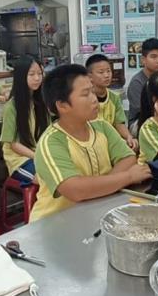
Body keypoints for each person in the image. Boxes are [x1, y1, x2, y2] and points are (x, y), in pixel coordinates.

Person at [31, 64, 150, 221]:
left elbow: (128, 158)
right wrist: (127, 177)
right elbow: (75, 189)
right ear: (62, 105)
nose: (94, 99)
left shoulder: (101, 126)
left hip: (96, 212)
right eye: (86, 94)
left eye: (92, 91)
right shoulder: (51, 142)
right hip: (56, 221)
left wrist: (99, 188)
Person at [0, 56, 49, 188]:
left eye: (40, 73)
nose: (37, 78)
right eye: (31, 74)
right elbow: (14, 145)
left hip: (38, 154)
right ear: (21, 77)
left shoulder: (41, 102)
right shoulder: (11, 107)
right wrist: (38, 156)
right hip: (19, 160)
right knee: (47, 178)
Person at [85, 53, 137, 152]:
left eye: (108, 71)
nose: (106, 75)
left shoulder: (114, 97)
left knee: (134, 145)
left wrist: (128, 137)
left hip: (112, 141)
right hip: (92, 142)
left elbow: (119, 123)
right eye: (101, 72)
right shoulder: (85, 98)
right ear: (89, 76)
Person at [125, 38, 158, 132]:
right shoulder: (137, 82)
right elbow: (143, 112)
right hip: (140, 121)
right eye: (153, 57)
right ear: (143, 60)